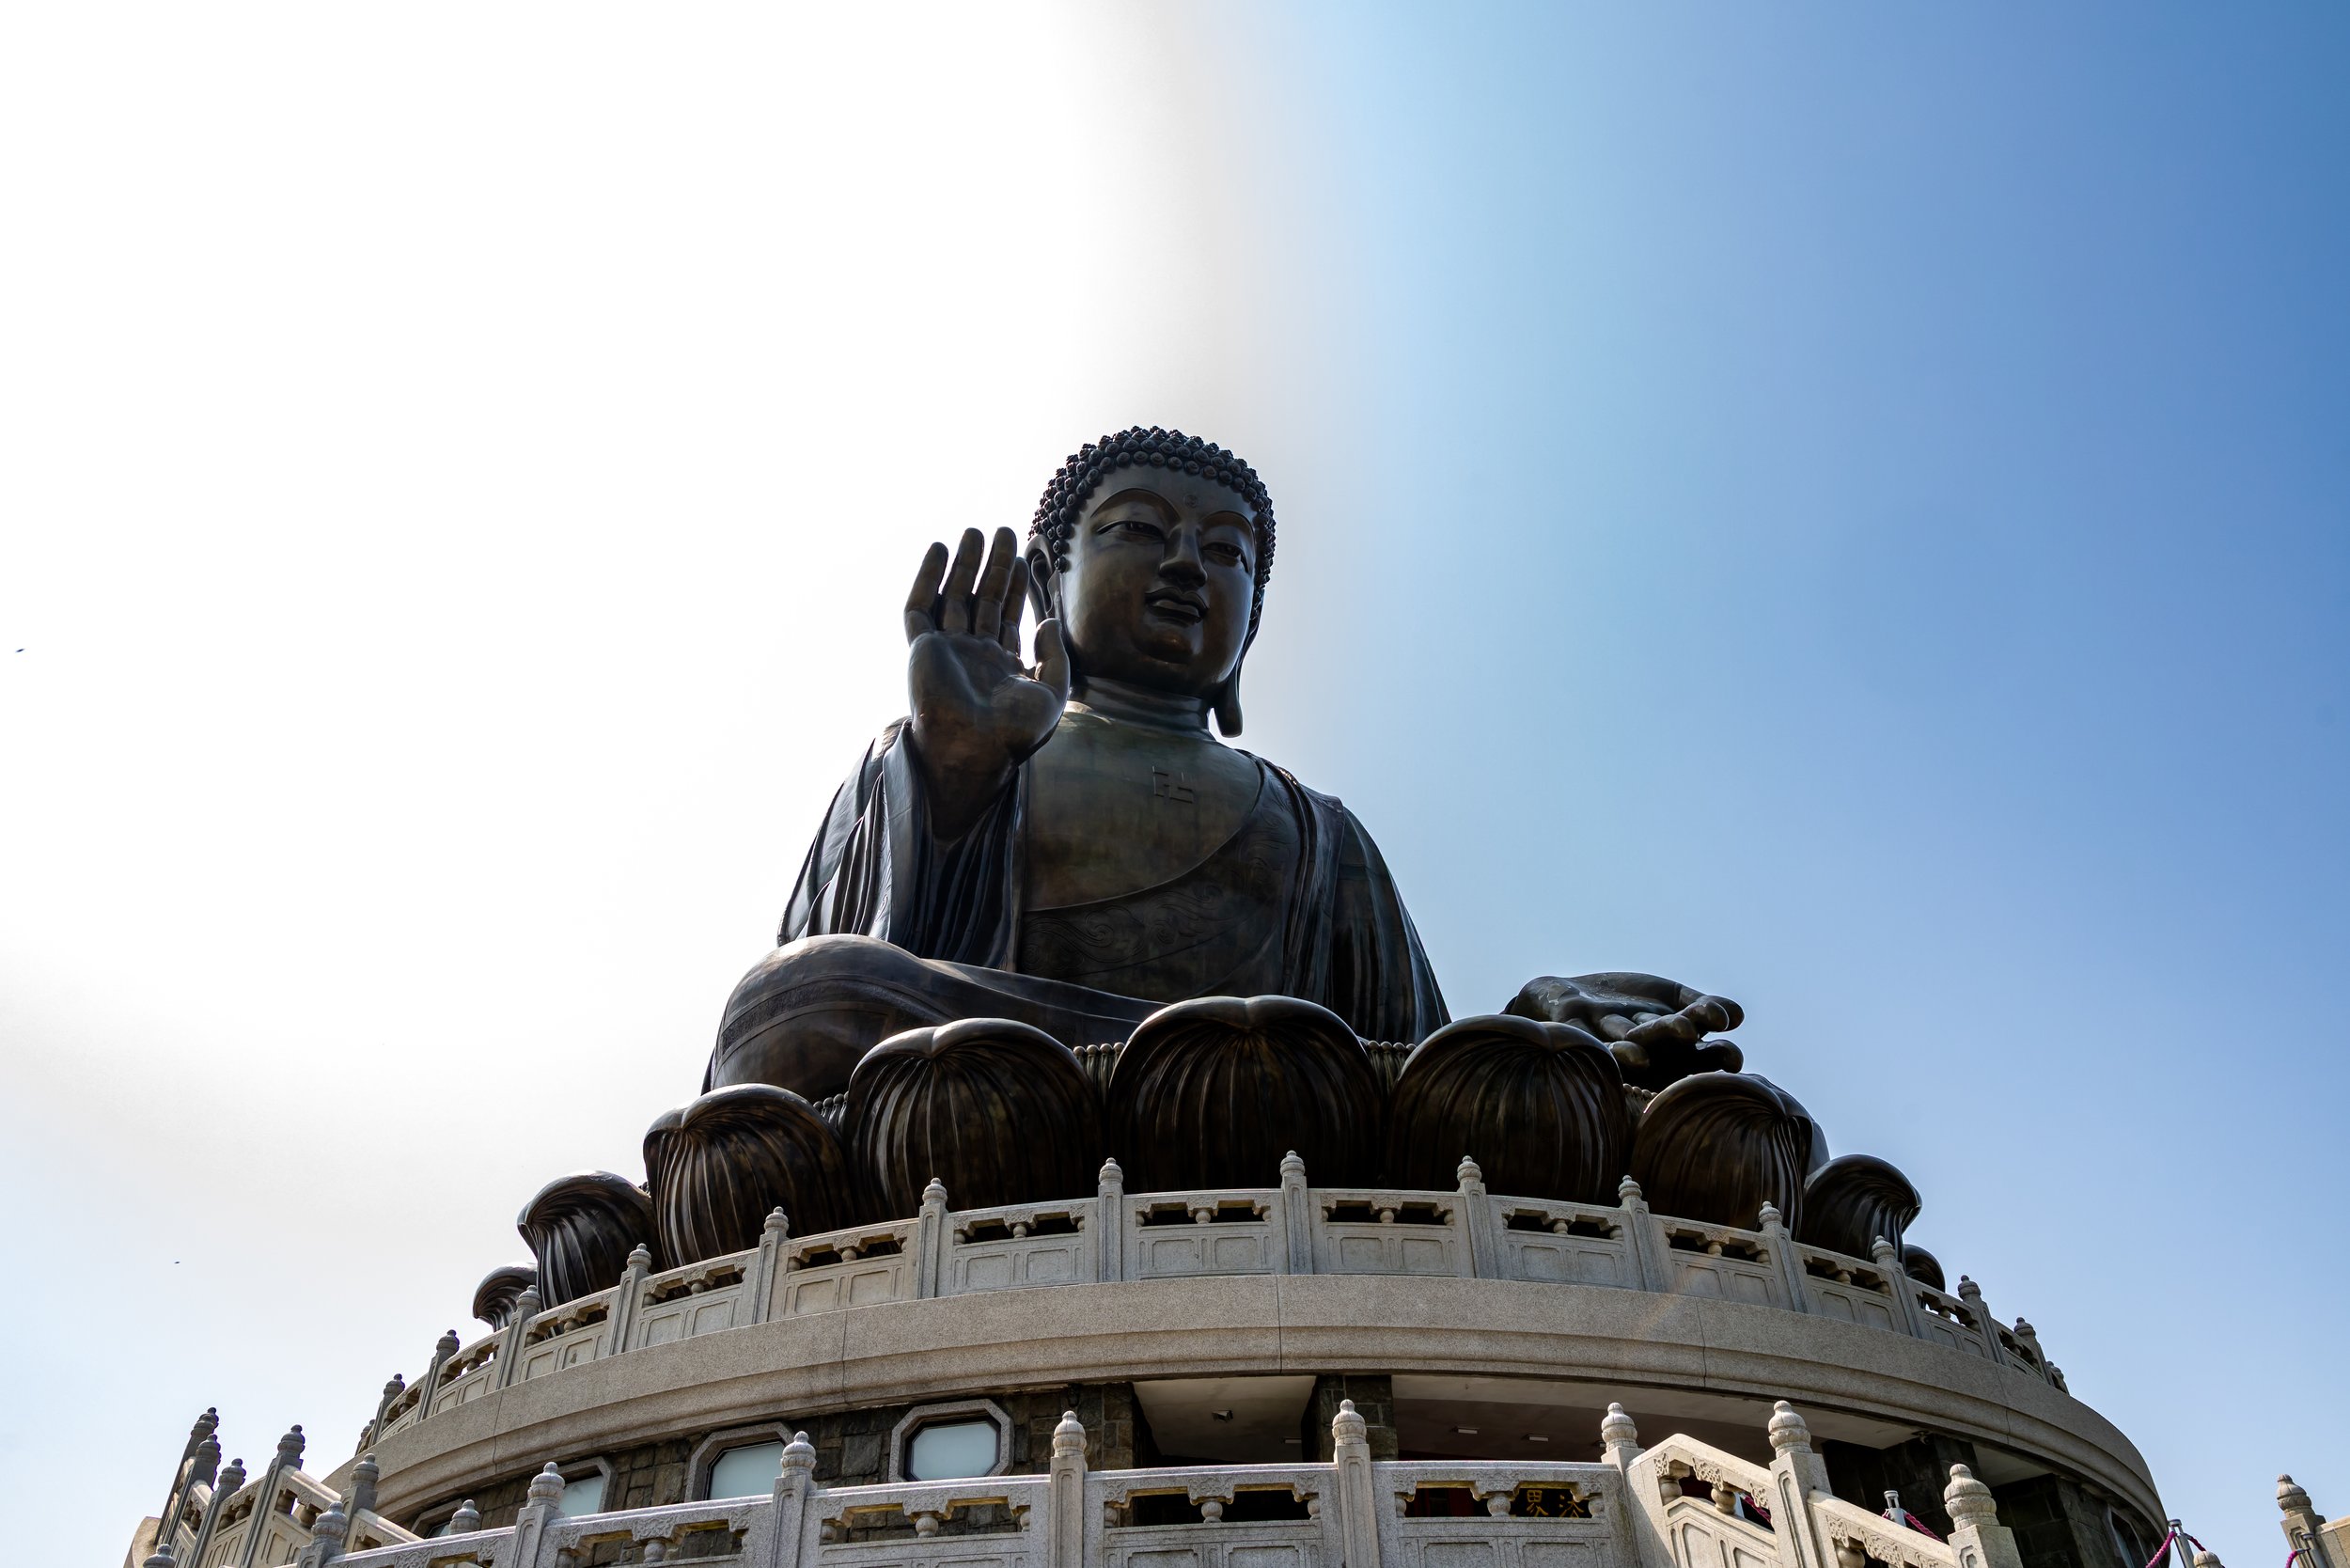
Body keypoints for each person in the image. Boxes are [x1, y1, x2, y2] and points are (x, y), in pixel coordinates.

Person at [708, 428, 1736, 1103]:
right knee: (796, 1002)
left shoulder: (1317, 827)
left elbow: (1415, 1072)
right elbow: (816, 1033)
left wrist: (1535, 1045)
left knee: (1719, 1117)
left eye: (1227, 552)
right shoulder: (942, 755)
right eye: (1140, 531)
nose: (1188, 564)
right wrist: (957, 775)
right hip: (1003, 1091)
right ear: (1042, 580)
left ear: (1253, 622)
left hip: (1281, 1098)